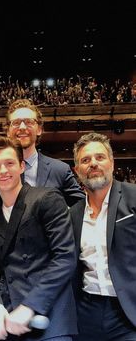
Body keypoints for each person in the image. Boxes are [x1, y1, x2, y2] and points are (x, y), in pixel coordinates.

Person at [0, 135, 77, 341]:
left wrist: (30, 306)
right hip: (7, 316)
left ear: (22, 166)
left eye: (9, 163)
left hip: (48, 315)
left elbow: (65, 257)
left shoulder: (46, 199)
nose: (3, 171)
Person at [70, 132, 136, 341]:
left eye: (100, 157)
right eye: (85, 160)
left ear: (112, 162)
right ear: (76, 170)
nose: (93, 164)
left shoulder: (134, 197)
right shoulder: (73, 213)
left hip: (129, 312)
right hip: (86, 311)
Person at [0, 99, 85, 210]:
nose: (22, 127)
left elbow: (82, 207)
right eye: (16, 123)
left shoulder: (60, 170)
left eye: (29, 122)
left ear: (39, 130)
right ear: (8, 131)